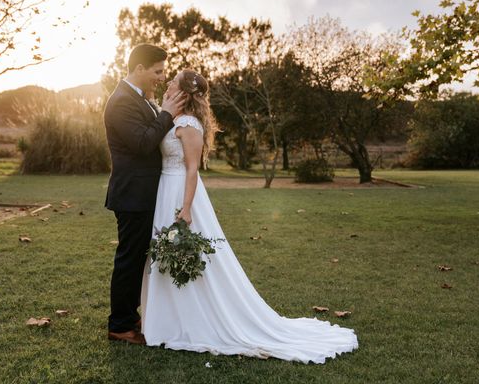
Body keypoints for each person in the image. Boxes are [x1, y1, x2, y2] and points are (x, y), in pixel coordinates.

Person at [140, 69, 359, 363]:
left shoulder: (189, 124)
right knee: (167, 254)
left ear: (183, 92)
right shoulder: (171, 118)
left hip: (180, 192)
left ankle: (192, 320)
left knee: (187, 253)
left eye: (173, 81)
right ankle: (168, 318)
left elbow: (192, 169)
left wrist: (187, 208)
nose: (168, 82)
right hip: (164, 189)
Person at [103, 43, 185, 345]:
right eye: (157, 71)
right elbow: (142, 143)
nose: (161, 77)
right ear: (139, 68)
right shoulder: (122, 101)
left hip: (144, 192)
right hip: (132, 194)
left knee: (137, 258)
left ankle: (130, 314)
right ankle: (120, 325)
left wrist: (160, 109)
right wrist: (166, 113)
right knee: (129, 259)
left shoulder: (139, 98)